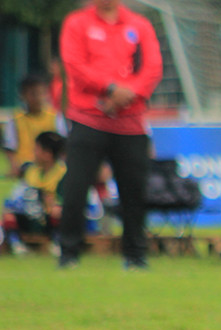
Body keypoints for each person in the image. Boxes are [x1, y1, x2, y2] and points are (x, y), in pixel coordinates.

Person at [58, 0, 162, 269]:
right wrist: (110, 89)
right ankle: (69, 255)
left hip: (131, 122)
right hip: (88, 119)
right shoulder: (77, 23)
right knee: (75, 189)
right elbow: (75, 66)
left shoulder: (139, 25)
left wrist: (126, 96)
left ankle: (135, 256)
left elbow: (152, 69)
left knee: (134, 193)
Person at [2, 131, 67, 256]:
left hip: (49, 216)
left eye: (37, 149)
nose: (34, 153)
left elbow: (65, 200)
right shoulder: (30, 171)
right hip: (30, 212)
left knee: (57, 212)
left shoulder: (62, 173)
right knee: (8, 215)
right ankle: (17, 245)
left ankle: (57, 242)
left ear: (47, 154)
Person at [3, 72, 67, 179]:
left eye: (42, 93)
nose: (38, 97)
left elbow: (64, 145)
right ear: (23, 95)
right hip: (25, 170)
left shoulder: (55, 116)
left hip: (52, 170)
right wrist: (14, 166)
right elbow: (10, 148)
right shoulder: (15, 120)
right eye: (33, 93)